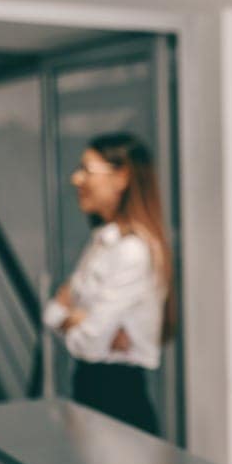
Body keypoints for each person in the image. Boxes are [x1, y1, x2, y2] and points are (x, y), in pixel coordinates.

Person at [43, 133, 170, 435]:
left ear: (122, 176)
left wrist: (75, 319)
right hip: (91, 391)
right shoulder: (102, 242)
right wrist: (78, 321)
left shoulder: (132, 251)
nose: (76, 179)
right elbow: (52, 314)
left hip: (118, 399)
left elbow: (87, 343)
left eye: (87, 170)